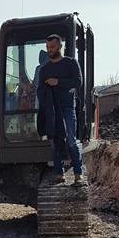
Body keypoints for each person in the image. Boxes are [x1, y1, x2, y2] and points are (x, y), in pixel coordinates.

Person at [37, 34, 84, 185]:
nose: (49, 50)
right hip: (52, 110)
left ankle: (78, 173)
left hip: (68, 107)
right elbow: (40, 90)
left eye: (52, 47)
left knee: (70, 139)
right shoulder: (44, 69)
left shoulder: (70, 63)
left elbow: (77, 82)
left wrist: (57, 82)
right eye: (47, 47)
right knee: (55, 141)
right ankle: (59, 173)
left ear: (60, 47)